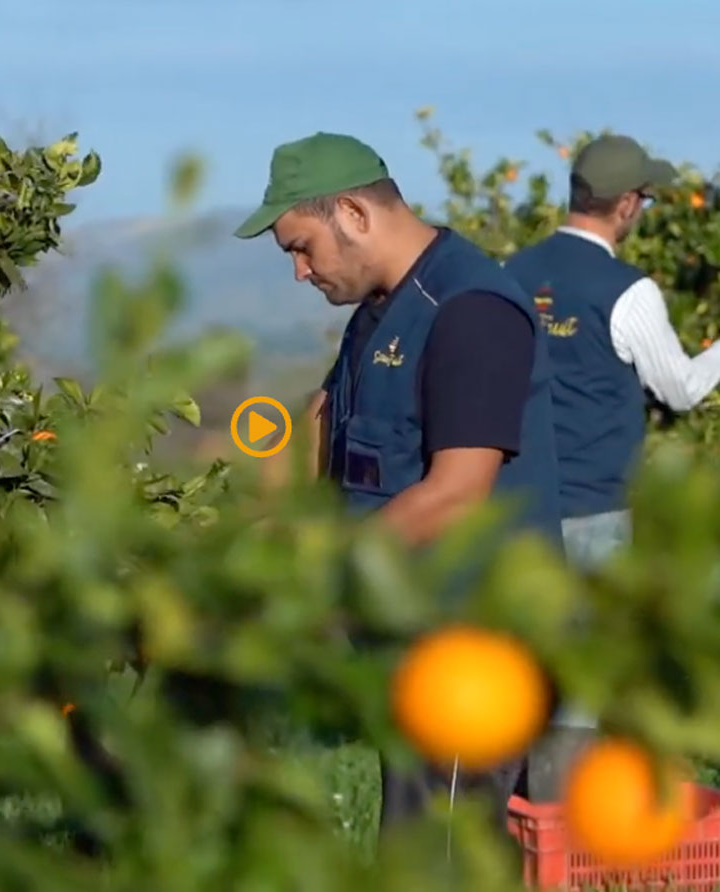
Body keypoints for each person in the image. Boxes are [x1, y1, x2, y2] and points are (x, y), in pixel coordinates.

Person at [233, 131, 564, 832]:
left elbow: (454, 493)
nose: (300, 272)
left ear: (353, 214)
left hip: (470, 650)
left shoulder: (470, 311)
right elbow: (325, 422)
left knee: (435, 859)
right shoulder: (377, 313)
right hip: (410, 643)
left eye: (301, 248)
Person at [502, 133, 720, 797]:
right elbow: (679, 389)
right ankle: (570, 830)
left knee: (532, 664)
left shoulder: (513, 271)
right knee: (587, 678)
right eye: (646, 200)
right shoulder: (629, 291)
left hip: (518, 503)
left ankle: (521, 818)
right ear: (626, 204)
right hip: (595, 505)